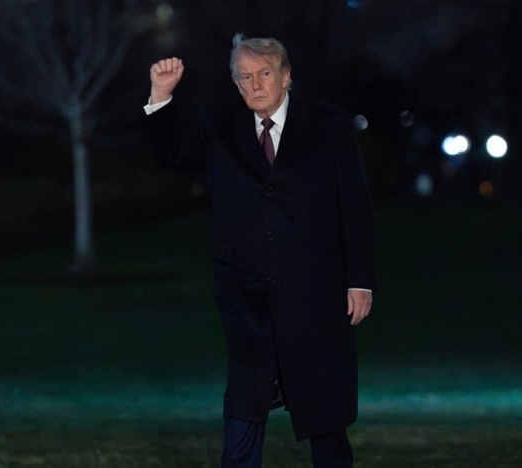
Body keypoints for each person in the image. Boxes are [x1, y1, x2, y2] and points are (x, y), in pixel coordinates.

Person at [143, 33, 377, 468]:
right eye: (244, 77)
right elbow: (172, 152)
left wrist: (359, 280)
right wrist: (160, 96)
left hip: (315, 291)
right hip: (244, 290)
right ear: (235, 84)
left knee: (323, 400)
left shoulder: (329, 125)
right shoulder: (219, 125)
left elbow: (355, 206)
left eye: (264, 73)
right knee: (246, 396)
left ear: (286, 76)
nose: (255, 84)